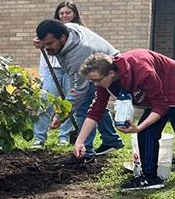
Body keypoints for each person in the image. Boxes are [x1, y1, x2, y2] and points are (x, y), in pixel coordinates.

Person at [74, 50, 175, 190]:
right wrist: (80, 141)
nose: (95, 84)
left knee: (150, 129)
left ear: (111, 73)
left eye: (97, 80)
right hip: (160, 83)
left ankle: (150, 178)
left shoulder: (143, 72)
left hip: (174, 81)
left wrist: (139, 128)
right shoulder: (105, 79)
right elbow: (96, 110)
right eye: (92, 81)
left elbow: (160, 106)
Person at [34, 19, 124, 163]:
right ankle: (111, 140)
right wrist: (42, 43)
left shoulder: (78, 54)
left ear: (63, 38)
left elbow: (78, 90)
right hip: (96, 64)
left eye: (50, 44)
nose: (46, 48)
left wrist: (61, 114)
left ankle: (85, 152)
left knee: (84, 106)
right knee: (96, 105)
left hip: (107, 69)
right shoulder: (67, 29)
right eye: (44, 44)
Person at [31, 1, 81, 148]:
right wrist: (43, 73)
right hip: (53, 69)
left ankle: (64, 136)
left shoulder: (78, 31)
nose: (64, 15)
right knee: (45, 101)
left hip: (70, 70)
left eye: (68, 12)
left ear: (75, 14)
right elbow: (43, 50)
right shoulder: (50, 30)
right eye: (61, 13)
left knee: (68, 103)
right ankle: (39, 138)